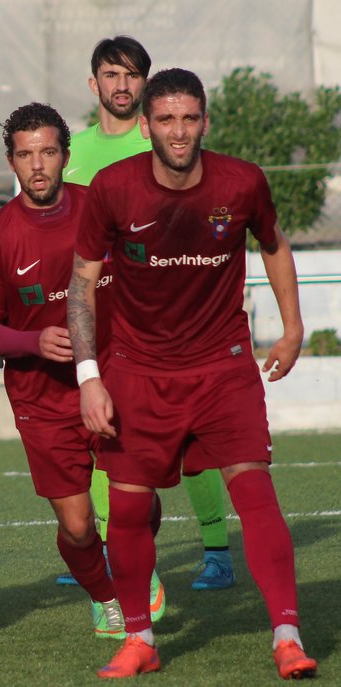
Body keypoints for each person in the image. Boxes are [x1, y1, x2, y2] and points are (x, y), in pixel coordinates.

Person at [69, 67, 317, 680]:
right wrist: (89, 375)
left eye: (188, 118)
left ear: (205, 121)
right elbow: (81, 283)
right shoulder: (112, 187)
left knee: (255, 492)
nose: (178, 131)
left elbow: (274, 245)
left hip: (222, 367)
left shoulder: (242, 181)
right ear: (146, 125)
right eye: (166, 119)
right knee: (128, 510)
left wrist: (292, 329)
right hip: (136, 372)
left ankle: (287, 637)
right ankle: (140, 640)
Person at [64, 35, 235, 594]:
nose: (122, 85)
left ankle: (217, 550)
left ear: (146, 83)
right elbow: (63, 234)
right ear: (93, 83)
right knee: (100, 434)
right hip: (98, 312)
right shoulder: (72, 151)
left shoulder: (165, 138)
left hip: (167, 313)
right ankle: (108, 552)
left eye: (132, 75)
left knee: (193, 439)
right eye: (111, 75)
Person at [0, 102, 124, 641]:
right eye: (26, 155)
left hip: (114, 378)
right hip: (42, 397)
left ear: (65, 155)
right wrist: (32, 341)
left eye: (48, 152)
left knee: (137, 501)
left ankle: (135, 572)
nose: (38, 165)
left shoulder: (100, 209)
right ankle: (105, 597)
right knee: (78, 526)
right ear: (11, 161)